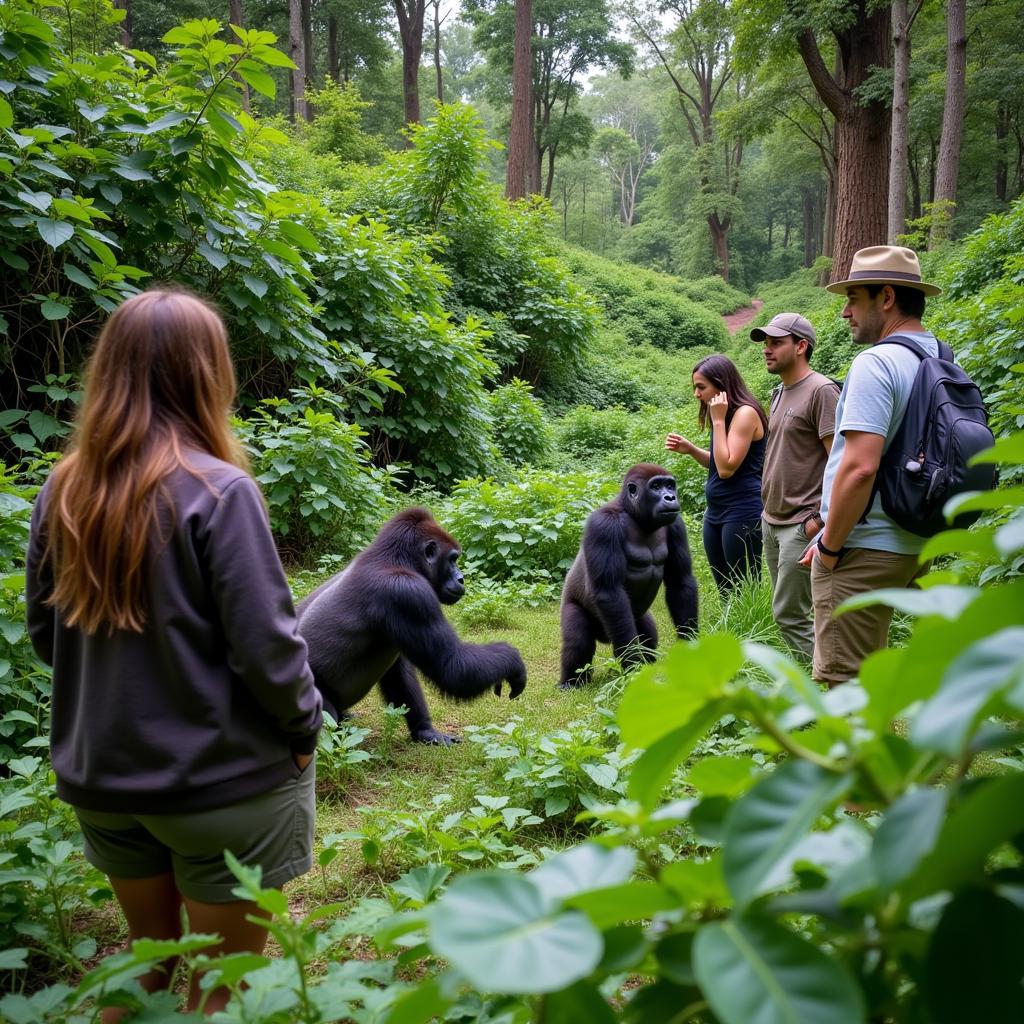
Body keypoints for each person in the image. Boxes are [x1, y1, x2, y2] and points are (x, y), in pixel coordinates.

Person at [24, 289, 323, 1018]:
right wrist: (305, 728)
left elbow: (45, 636)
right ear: (206, 372)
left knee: (142, 962)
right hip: (222, 789)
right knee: (225, 988)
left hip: (104, 781)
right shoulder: (220, 491)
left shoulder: (63, 490)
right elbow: (267, 648)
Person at [798, 246, 939, 684]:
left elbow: (860, 468)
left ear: (887, 297)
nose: (844, 313)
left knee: (846, 687)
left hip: (865, 545)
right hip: (914, 538)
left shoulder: (876, 363)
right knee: (874, 678)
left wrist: (831, 546)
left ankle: (861, 754)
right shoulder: (939, 357)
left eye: (854, 298)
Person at [752, 313, 840, 662]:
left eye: (776, 343)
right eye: (765, 344)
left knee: (789, 616)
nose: (767, 350)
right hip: (772, 521)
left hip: (801, 525)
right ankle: (825, 682)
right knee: (796, 614)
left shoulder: (822, 391)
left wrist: (819, 521)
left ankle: (827, 691)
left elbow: (840, 462)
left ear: (801, 346)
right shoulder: (779, 392)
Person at [666, 354, 768, 593]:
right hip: (716, 511)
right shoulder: (725, 414)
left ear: (721, 385)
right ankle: (732, 630)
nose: (696, 394)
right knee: (725, 588)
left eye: (701, 387)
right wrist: (691, 450)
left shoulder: (744, 414)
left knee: (744, 588)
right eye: (695, 387)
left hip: (742, 511)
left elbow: (726, 468)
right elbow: (719, 462)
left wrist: (719, 420)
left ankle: (752, 630)